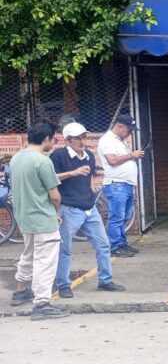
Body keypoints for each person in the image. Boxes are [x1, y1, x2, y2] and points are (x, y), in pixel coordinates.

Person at [50, 123, 126, 298]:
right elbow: (50, 178)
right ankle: (63, 285)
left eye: (84, 136)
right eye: (78, 137)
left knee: (103, 244)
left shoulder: (89, 156)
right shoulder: (58, 155)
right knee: (65, 248)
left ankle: (105, 280)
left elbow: (89, 179)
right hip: (69, 207)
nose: (82, 140)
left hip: (89, 207)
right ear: (68, 140)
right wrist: (72, 172)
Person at [8, 120, 69, 320]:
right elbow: (55, 195)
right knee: (45, 262)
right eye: (54, 138)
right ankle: (42, 303)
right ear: (46, 139)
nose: (55, 142)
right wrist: (56, 213)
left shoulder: (16, 158)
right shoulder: (43, 161)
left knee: (28, 255)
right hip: (43, 219)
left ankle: (21, 291)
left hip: (24, 217)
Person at [98, 114, 145, 257]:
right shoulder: (108, 140)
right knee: (117, 217)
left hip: (125, 184)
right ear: (119, 126)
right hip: (117, 184)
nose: (130, 133)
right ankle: (115, 246)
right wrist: (132, 155)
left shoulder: (119, 141)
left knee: (125, 216)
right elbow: (112, 161)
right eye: (128, 129)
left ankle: (122, 243)